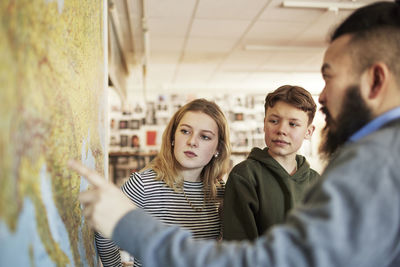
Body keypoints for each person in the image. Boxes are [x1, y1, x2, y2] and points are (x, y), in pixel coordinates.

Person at [69, 1, 400, 266]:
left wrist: (127, 224)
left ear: (375, 81)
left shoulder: (378, 161)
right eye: (185, 131)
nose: (323, 96)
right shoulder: (236, 178)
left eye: (329, 77)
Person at [95, 98, 231, 266]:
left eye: (204, 136)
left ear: (218, 148)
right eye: (185, 131)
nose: (192, 142)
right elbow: (104, 228)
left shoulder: (219, 190)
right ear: (173, 136)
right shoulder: (143, 185)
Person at [222, 85, 320, 241]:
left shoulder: (316, 182)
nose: (281, 130)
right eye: (274, 121)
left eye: (293, 124)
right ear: (264, 124)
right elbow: (239, 246)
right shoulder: (245, 176)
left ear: (308, 132)